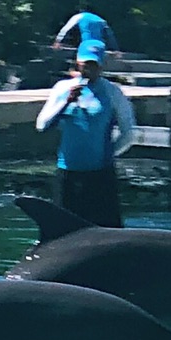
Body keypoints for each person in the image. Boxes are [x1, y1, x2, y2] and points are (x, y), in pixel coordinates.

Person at [35, 39, 136, 226]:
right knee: (63, 228)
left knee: (107, 228)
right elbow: (42, 125)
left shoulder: (112, 92)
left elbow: (129, 133)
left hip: (100, 174)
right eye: (85, 64)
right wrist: (66, 101)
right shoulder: (62, 89)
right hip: (68, 172)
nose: (89, 70)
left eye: (94, 65)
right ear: (77, 63)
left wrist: (110, 154)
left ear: (102, 65)